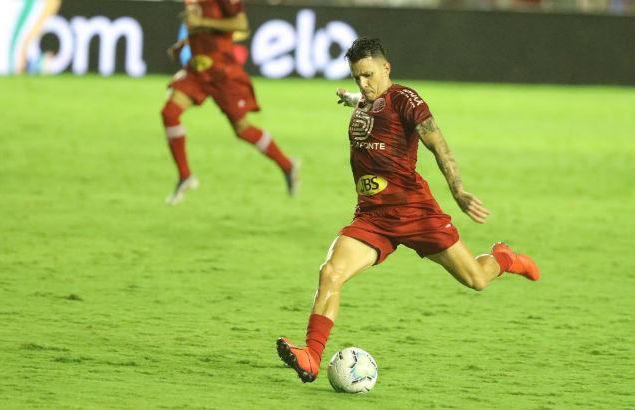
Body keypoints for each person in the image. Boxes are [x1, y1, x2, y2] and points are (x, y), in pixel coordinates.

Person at [276, 37, 539, 383]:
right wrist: (353, 98)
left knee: (475, 279)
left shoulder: (406, 100)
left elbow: (438, 144)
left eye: (368, 75)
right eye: (356, 77)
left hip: (415, 212)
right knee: (331, 272)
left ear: (386, 68)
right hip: (372, 216)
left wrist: (457, 189)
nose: (363, 83)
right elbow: (370, 103)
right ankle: (311, 355)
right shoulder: (366, 100)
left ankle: (503, 258)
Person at [160, 0, 299, 205]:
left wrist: (201, 22)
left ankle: (287, 165)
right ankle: (185, 176)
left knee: (242, 129)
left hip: (223, 72)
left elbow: (241, 24)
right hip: (198, 69)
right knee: (169, 113)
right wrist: (183, 43)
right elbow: (198, 23)